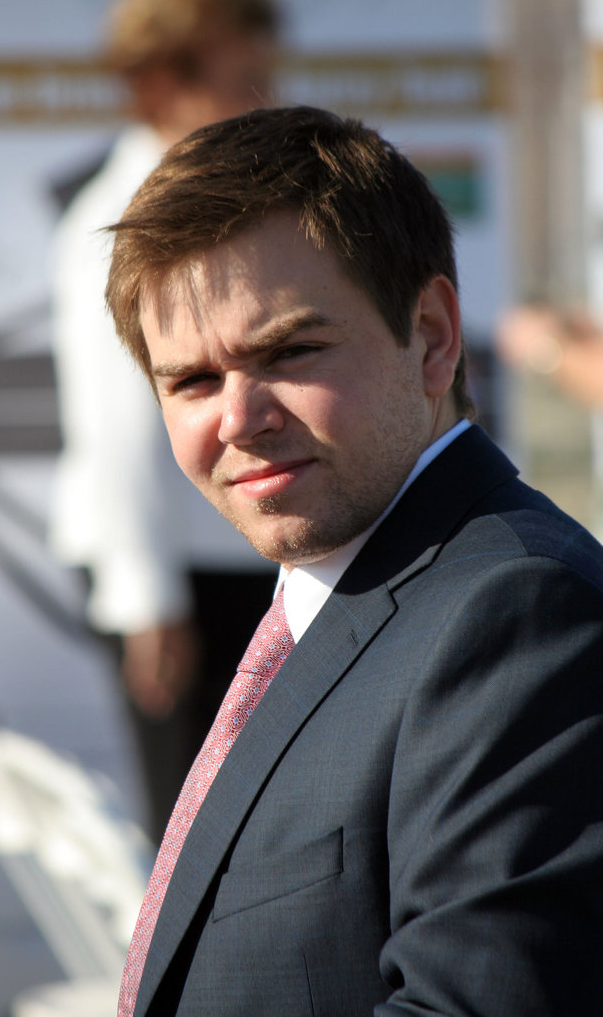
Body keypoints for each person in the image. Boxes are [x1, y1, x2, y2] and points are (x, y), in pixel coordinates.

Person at [106, 106, 603, 1016]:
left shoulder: (519, 615)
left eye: (291, 351)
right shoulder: (324, 607)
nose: (239, 418)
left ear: (433, 335)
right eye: (192, 381)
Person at [49, 0, 279, 844]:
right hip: (179, 574)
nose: (267, 101)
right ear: (160, 85)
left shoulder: (213, 203)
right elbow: (114, 425)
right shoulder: (128, 220)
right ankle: (180, 984)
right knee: (199, 827)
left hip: (225, 555)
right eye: (245, 79)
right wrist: (149, 600)